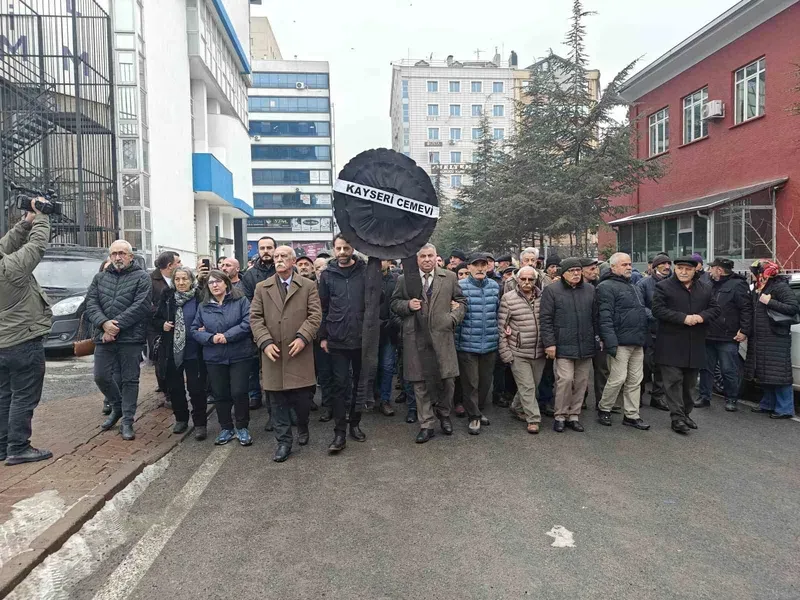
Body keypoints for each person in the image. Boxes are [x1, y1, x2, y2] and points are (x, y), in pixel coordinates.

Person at [251, 246, 321, 462]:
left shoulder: (308, 285)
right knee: (276, 400)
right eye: (276, 257)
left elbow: (315, 315)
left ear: (293, 261)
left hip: (299, 351)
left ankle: (303, 425)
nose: (279, 260)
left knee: (302, 400)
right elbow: (255, 318)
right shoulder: (262, 287)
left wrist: (303, 337)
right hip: (273, 354)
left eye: (283, 256)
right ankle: (283, 442)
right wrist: (265, 342)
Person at [391, 244, 465, 443]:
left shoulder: (449, 277)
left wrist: (452, 319)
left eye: (430, 255)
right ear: (417, 259)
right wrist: (407, 305)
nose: (426, 259)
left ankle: (444, 414)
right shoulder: (404, 279)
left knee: (448, 380)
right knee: (420, 382)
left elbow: (461, 302)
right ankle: (427, 424)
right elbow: (394, 303)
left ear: (436, 256)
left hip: (442, 338)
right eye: (422, 256)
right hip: (416, 338)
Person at [0, 200, 53, 465]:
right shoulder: (11, 269)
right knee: (24, 396)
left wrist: (25, 222)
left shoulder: (5, 264)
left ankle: (3, 446)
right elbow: (37, 246)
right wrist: (42, 216)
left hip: (2, 344)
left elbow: (4, 246)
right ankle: (19, 447)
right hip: (22, 340)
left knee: (4, 396)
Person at [85, 240, 153, 441]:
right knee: (101, 376)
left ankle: (127, 421)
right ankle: (117, 407)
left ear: (130, 256)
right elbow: (91, 303)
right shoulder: (100, 278)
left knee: (130, 380)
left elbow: (141, 305)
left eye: (122, 253)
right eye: (114, 253)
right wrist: (104, 324)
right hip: (104, 336)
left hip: (130, 338)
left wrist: (115, 326)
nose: (117, 257)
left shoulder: (142, 277)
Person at [652, 256, 720, 434]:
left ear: (695, 270)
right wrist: (683, 318)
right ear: (675, 269)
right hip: (670, 344)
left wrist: (701, 317)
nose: (683, 272)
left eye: (687, 269)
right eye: (680, 268)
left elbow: (715, 309)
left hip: (695, 344)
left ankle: (685, 414)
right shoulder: (663, 287)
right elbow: (658, 310)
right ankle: (677, 418)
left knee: (689, 385)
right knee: (673, 383)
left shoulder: (705, 288)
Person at [192, 270, 254, 445]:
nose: (215, 285)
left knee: (239, 391)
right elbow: (194, 329)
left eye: (218, 281)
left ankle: (242, 427)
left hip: (239, 354)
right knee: (220, 394)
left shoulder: (241, 301)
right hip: (214, 356)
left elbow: (247, 323)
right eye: (211, 283)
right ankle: (226, 427)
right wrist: (211, 338)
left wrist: (227, 335)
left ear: (226, 283)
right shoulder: (203, 306)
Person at [318, 234, 367, 453]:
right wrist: (323, 336)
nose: (342, 252)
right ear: (333, 249)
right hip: (337, 338)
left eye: (346, 248)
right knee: (340, 385)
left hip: (361, 337)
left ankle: (354, 424)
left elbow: (376, 301)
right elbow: (322, 307)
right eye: (338, 248)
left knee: (359, 384)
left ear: (352, 249)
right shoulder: (327, 275)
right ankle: (339, 432)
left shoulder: (365, 271)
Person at [539, 257, 597, 432]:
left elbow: (596, 317)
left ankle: (574, 415)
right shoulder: (552, 291)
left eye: (578, 270)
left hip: (585, 344)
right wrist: (549, 343)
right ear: (563, 273)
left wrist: (597, 337)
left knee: (581, 382)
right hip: (562, 343)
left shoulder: (590, 290)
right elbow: (546, 319)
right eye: (572, 271)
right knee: (565, 380)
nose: (576, 274)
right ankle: (560, 415)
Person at [595, 253, 650, 430]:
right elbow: (605, 318)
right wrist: (611, 342)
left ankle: (632, 415)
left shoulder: (634, 286)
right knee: (617, 379)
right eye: (624, 264)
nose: (629, 267)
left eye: (629, 264)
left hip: (637, 342)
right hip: (619, 343)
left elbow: (640, 312)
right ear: (613, 267)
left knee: (635, 380)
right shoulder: (605, 287)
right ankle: (604, 408)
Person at [153, 266, 207, 440]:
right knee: (175, 388)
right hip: (172, 350)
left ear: (192, 280)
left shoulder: (199, 296)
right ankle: (181, 419)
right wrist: (162, 325)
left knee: (196, 389)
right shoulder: (168, 297)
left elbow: (209, 316)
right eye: (177, 279)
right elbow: (156, 318)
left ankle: (200, 423)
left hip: (194, 350)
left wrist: (206, 327)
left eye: (185, 279)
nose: (181, 282)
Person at [696, 257, 752, 411]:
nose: (709, 271)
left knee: (728, 370)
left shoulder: (738, 285)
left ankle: (731, 399)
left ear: (719, 270)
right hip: (708, 334)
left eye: (712, 268)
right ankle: (704, 397)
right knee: (706, 369)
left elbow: (746, 309)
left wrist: (744, 330)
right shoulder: (708, 284)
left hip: (728, 336)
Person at [746, 260, 799, 419]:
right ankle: (767, 404)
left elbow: (793, 307)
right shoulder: (760, 287)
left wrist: (770, 301)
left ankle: (785, 409)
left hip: (776, 337)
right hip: (761, 337)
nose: (752, 275)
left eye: (754, 272)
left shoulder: (780, 286)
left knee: (780, 375)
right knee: (765, 373)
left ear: (763, 273)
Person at [456, 252, 500, 435]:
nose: (480, 268)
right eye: (476, 265)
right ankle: (473, 417)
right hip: (467, 345)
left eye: (483, 265)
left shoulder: (495, 286)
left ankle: (478, 410)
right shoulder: (460, 287)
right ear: (469, 267)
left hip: (490, 344)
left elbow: (498, 313)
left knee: (485, 383)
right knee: (471, 383)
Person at [498, 266, 546, 434]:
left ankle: (516, 407)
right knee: (527, 387)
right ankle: (533, 419)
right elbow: (501, 328)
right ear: (517, 280)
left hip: (539, 351)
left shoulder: (543, 298)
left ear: (535, 280)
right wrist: (505, 353)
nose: (526, 282)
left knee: (532, 385)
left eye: (530, 279)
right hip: (518, 352)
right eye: (523, 279)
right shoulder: (508, 298)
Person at [242, 236, 276, 412]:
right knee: (254, 363)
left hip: (281, 324)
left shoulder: (284, 270)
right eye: (262, 248)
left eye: (269, 247)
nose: (266, 251)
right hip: (257, 324)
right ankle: (255, 395)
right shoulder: (250, 275)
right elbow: (247, 301)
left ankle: (278, 399)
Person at [637, 253, 671, 411]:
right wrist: (656, 315)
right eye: (663, 264)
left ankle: (658, 397)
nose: (667, 267)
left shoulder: (673, 284)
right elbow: (639, 306)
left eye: (669, 264)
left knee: (662, 367)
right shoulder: (643, 284)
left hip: (667, 332)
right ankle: (638, 395)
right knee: (644, 366)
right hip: (648, 332)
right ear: (655, 266)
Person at [149, 251, 181, 402]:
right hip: (156, 326)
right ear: (170, 265)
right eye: (178, 262)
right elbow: (146, 304)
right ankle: (166, 390)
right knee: (160, 358)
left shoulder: (179, 279)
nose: (180, 265)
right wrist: (164, 315)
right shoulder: (150, 280)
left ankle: (173, 390)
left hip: (175, 326)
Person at [376, 259, 399, 416]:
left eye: (383, 259)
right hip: (371, 330)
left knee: (387, 366)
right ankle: (373, 396)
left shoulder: (396, 280)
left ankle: (385, 400)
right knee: (372, 366)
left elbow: (397, 303)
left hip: (389, 330)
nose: (380, 262)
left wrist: (393, 321)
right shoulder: (367, 279)